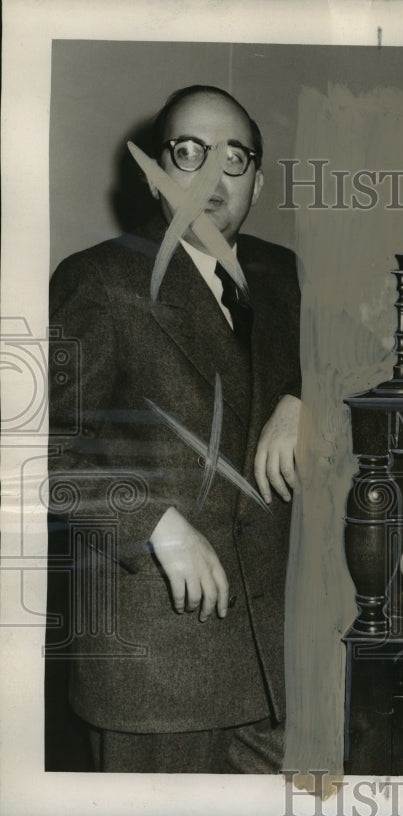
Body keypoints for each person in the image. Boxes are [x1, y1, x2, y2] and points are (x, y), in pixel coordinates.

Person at [48, 85, 302, 773]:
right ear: (153, 172)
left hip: (278, 674)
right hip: (156, 677)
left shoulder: (284, 275)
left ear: (258, 177)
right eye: (189, 153)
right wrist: (153, 521)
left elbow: (363, 354)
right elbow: (39, 453)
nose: (214, 177)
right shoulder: (97, 282)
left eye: (236, 157)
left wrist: (305, 396)